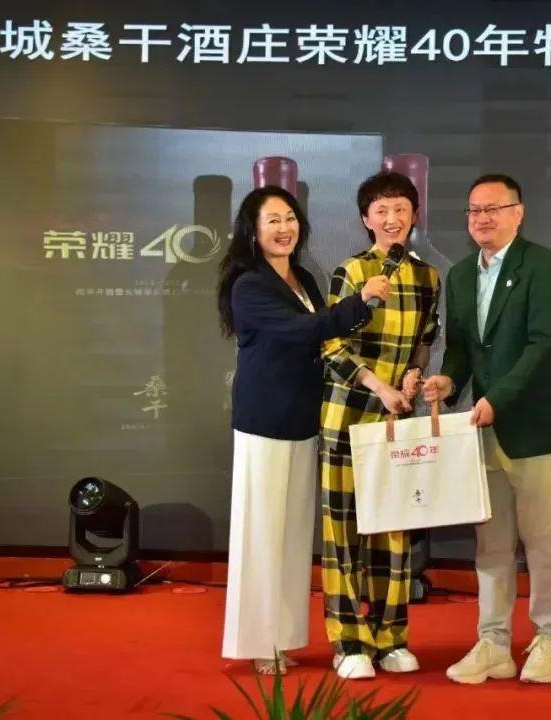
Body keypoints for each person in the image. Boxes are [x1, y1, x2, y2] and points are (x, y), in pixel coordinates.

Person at [219, 186, 390, 675]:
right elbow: (301, 331)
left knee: (293, 536)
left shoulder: (304, 278)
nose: (284, 228)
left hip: (303, 419)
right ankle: (259, 642)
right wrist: (361, 301)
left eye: (290, 218)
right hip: (264, 422)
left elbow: (324, 341)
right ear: (252, 230)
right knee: (261, 535)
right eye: (272, 220)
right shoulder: (248, 284)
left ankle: (285, 637)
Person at [423, 174, 551, 685]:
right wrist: (448, 381)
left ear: (518, 213)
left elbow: (542, 344)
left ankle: (550, 640)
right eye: (474, 210)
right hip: (483, 432)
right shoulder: (462, 274)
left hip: (535, 430)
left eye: (493, 208)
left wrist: (497, 400)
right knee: (491, 546)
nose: (482, 218)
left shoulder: (543, 265)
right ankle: (493, 643)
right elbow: (462, 349)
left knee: (544, 544)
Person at [320, 171, 441, 680]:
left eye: (401, 210)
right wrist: (379, 386)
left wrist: (413, 376)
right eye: (382, 211)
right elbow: (331, 345)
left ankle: (391, 637)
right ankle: (349, 641)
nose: (392, 219)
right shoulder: (352, 271)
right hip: (348, 417)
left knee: (394, 532)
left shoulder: (428, 277)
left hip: (396, 420)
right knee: (344, 532)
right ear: (366, 219)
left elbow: (424, 340)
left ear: (414, 216)